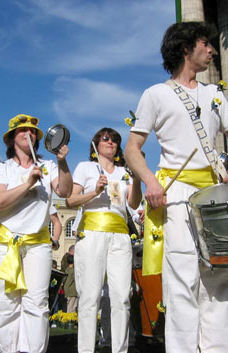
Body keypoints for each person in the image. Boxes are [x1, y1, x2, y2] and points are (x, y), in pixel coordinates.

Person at [124, 22, 228, 353]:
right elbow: (132, 148)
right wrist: (151, 181)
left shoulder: (214, 94)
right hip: (177, 195)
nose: (211, 49)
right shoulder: (155, 94)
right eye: (205, 44)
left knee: (218, 283)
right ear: (185, 49)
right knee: (182, 281)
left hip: (213, 195)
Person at [0, 114, 72, 353]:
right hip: (5, 243)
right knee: (6, 303)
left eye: (33, 131)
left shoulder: (49, 167)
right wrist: (28, 183)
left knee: (37, 302)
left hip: (37, 244)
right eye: (22, 130)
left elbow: (65, 191)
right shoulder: (2, 168)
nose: (29, 134)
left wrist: (63, 162)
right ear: (12, 138)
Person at [66, 127, 142, 353]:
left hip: (120, 235)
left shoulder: (123, 173)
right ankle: (87, 349)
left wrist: (136, 180)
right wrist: (94, 191)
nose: (111, 142)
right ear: (96, 144)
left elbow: (134, 204)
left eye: (115, 140)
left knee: (121, 296)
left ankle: (119, 349)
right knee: (90, 296)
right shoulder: (86, 167)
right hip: (92, 232)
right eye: (106, 139)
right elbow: (70, 199)